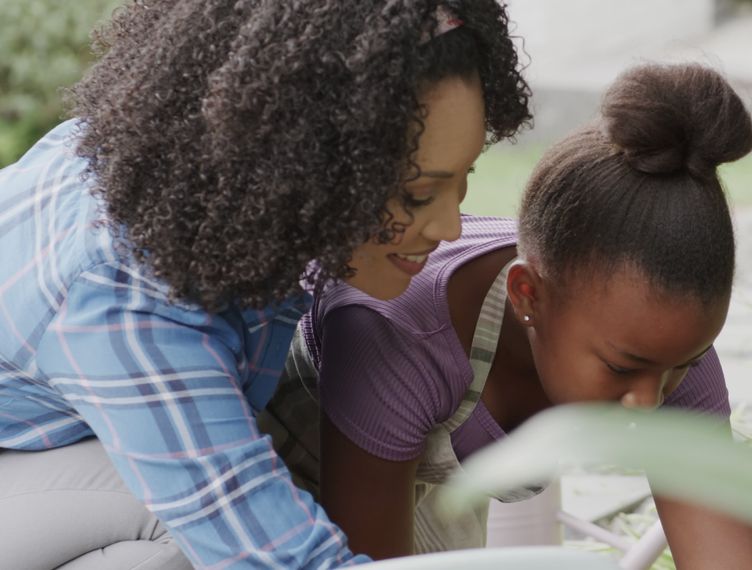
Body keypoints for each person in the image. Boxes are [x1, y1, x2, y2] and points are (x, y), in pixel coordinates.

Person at [0, 1, 530, 568]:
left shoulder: (195, 171)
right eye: (419, 193)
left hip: (50, 456)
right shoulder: (127, 300)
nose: (450, 228)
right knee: (180, 543)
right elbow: (280, 557)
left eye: (463, 177)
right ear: (299, 158)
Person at [263, 62, 752, 568]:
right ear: (528, 294)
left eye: (685, 363)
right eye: (622, 369)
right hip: (274, 500)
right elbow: (372, 565)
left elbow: (726, 555)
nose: (648, 402)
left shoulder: (656, 343)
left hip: (424, 500)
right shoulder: (397, 334)